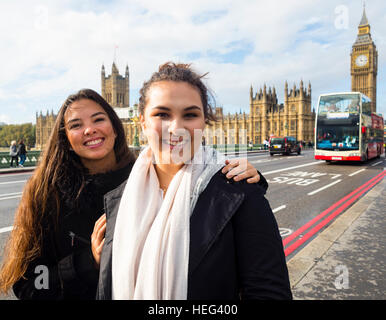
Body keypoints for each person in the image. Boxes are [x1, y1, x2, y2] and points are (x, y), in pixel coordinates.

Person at [0, 89, 265, 300]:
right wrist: (88, 263)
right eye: (76, 125)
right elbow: (29, 284)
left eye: (99, 119)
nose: (90, 129)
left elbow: (204, 188)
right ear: (65, 137)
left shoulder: (148, 175)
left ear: (116, 128)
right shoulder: (46, 195)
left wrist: (244, 178)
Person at [96, 62, 292, 300]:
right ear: (143, 122)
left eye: (190, 114)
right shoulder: (120, 202)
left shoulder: (241, 193)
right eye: (162, 114)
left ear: (204, 122)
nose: (176, 127)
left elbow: (269, 293)